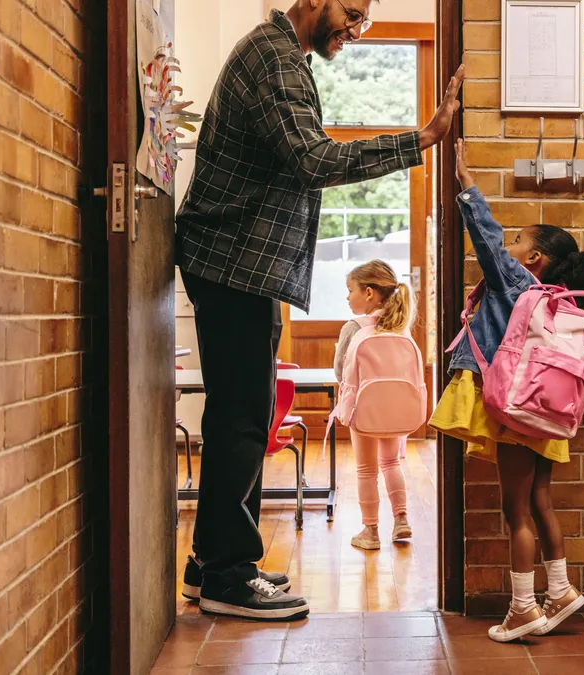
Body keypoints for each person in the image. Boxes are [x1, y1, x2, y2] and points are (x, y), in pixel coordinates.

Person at [175, 0, 464, 620]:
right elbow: (314, 160)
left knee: (242, 412)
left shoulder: (287, 56)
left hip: (246, 266)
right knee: (245, 418)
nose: (354, 32)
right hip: (233, 262)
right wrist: (422, 139)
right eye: (350, 14)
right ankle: (227, 576)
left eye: (363, 22)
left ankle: (212, 564)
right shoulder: (274, 56)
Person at [430, 140, 584, 642]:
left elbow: (485, 236)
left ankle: (523, 609)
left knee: (515, 511)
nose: (507, 250)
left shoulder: (519, 284)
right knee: (541, 500)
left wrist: (464, 180)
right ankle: (561, 590)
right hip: (550, 411)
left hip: (519, 409)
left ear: (535, 257)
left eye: (517, 245)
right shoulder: (563, 302)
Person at [334, 260, 415, 550]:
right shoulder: (400, 326)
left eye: (350, 290)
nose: (347, 297)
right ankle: (401, 518)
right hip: (395, 408)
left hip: (363, 410)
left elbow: (338, 370)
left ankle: (370, 531)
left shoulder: (354, 327)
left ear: (368, 292)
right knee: (391, 462)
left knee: (366, 469)